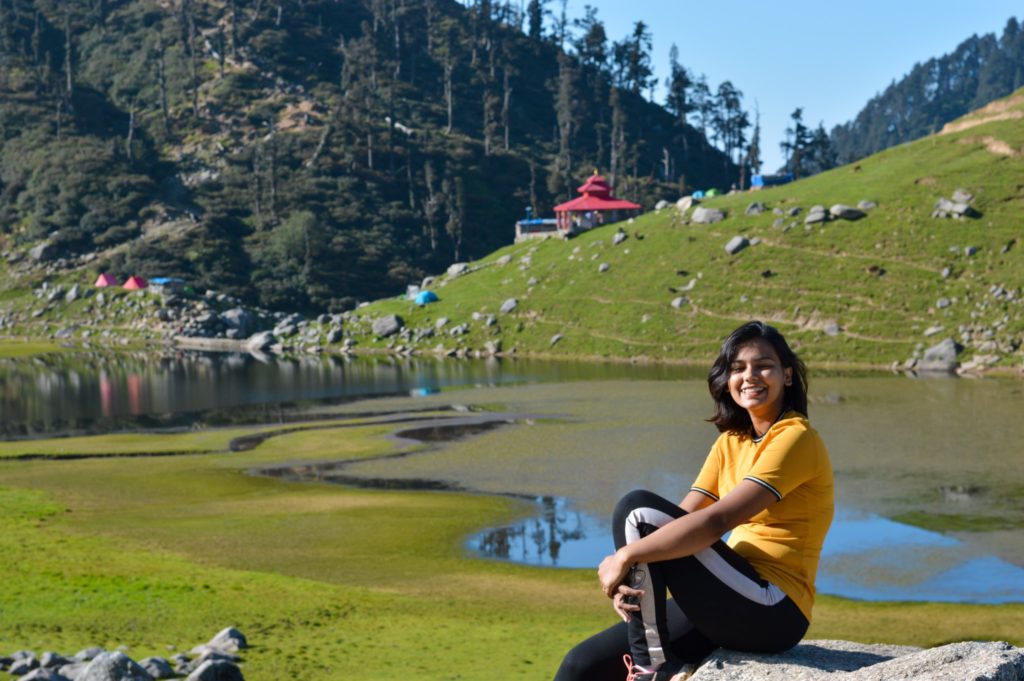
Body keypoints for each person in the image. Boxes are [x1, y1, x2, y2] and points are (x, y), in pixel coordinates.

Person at [554, 321, 834, 681]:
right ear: (726, 379)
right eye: (738, 368)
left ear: (788, 376)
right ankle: (648, 657)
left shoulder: (796, 438)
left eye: (764, 365)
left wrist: (624, 556)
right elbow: (681, 519)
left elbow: (716, 522)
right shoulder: (731, 442)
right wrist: (629, 573)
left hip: (773, 607)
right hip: (727, 597)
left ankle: (648, 667)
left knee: (635, 510)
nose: (750, 376)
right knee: (581, 666)